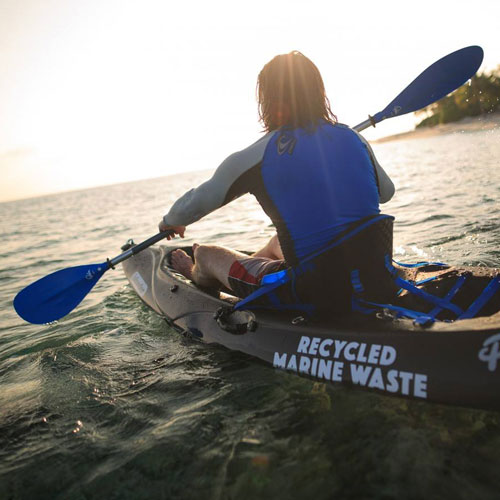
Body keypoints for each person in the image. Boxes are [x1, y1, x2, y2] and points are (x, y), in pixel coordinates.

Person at [159, 51, 395, 313]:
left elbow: (195, 204)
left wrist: (170, 221)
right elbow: (387, 193)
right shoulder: (354, 138)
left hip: (310, 288)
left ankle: (201, 273)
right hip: (374, 272)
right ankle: (248, 267)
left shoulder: (256, 156)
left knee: (204, 254)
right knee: (275, 243)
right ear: (318, 91)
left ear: (267, 100)